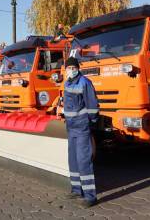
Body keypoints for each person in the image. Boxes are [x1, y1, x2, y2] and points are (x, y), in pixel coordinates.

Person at [63, 57, 99, 208]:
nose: (70, 70)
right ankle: (77, 190)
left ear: (77, 68)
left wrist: (92, 121)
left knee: (84, 160)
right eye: (68, 68)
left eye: (73, 67)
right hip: (71, 127)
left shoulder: (85, 82)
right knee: (73, 159)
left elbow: (92, 104)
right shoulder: (67, 82)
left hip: (82, 126)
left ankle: (90, 196)